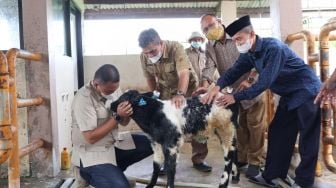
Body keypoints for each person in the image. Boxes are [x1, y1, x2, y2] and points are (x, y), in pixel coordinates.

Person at [202, 15, 321, 188]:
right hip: (289, 94)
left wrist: (234, 97)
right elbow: (233, 72)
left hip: (307, 90)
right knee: (278, 131)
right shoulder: (250, 53)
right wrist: (216, 87)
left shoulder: (274, 48)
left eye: (239, 39)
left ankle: (304, 182)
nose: (237, 43)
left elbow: (265, 82)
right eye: (235, 40)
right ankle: (272, 175)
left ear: (252, 35)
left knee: (307, 137)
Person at [194, 14, 267, 178]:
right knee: (240, 126)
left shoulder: (237, 35)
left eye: (211, 25)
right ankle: (242, 158)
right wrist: (205, 87)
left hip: (254, 86)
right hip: (234, 91)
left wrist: (250, 79)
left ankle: (255, 162)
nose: (209, 31)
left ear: (219, 22)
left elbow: (256, 56)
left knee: (255, 126)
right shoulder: (210, 46)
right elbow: (209, 67)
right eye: (205, 29)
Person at [138, 28, 212, 173]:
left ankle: (199, 159)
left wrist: (180, 94)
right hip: (166, 91)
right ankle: (169, 161)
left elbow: (184, 72)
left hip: (188, 90)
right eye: (146, 53)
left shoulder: (175, 48)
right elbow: (150, 77)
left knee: (198, 126)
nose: (149, 55)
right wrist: (155, 95)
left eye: (152, 51)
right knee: (167, 128)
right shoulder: (144, 55)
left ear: (161, 43)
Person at [71, 64, 153, 188]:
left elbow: (123, 122)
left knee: (155, 141)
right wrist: (116, 117)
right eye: (109, 91)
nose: (112, 94)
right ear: (96, 84)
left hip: (113, 144)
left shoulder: (113, 90)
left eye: (115, 90)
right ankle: (87, 174)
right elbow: (90, 137)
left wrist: (128, 112)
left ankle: (114, 173)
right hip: (92, 153)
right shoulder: (84, 99)